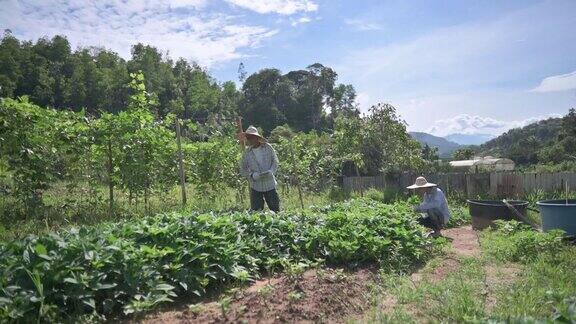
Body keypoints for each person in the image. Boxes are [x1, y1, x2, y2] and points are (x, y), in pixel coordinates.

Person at [239, 125, 281, 212]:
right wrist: (252, 175)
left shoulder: (268, 148)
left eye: (251, 137)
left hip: (269, 183)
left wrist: (271, 171)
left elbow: (275, 161)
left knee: (275, 210)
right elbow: (243, 169)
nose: (250, 139)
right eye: (248, 137)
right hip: (255, 185)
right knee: (256, 212)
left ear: (257, 138)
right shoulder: (247, 153)